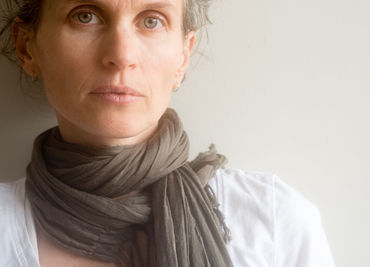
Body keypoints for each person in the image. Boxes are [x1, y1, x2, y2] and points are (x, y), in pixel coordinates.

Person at [0, 0, 336, 266]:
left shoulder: (274, 222)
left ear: (183, 56)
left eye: (151, 20)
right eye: (85, 16)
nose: (121, 55)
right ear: (28, 47)